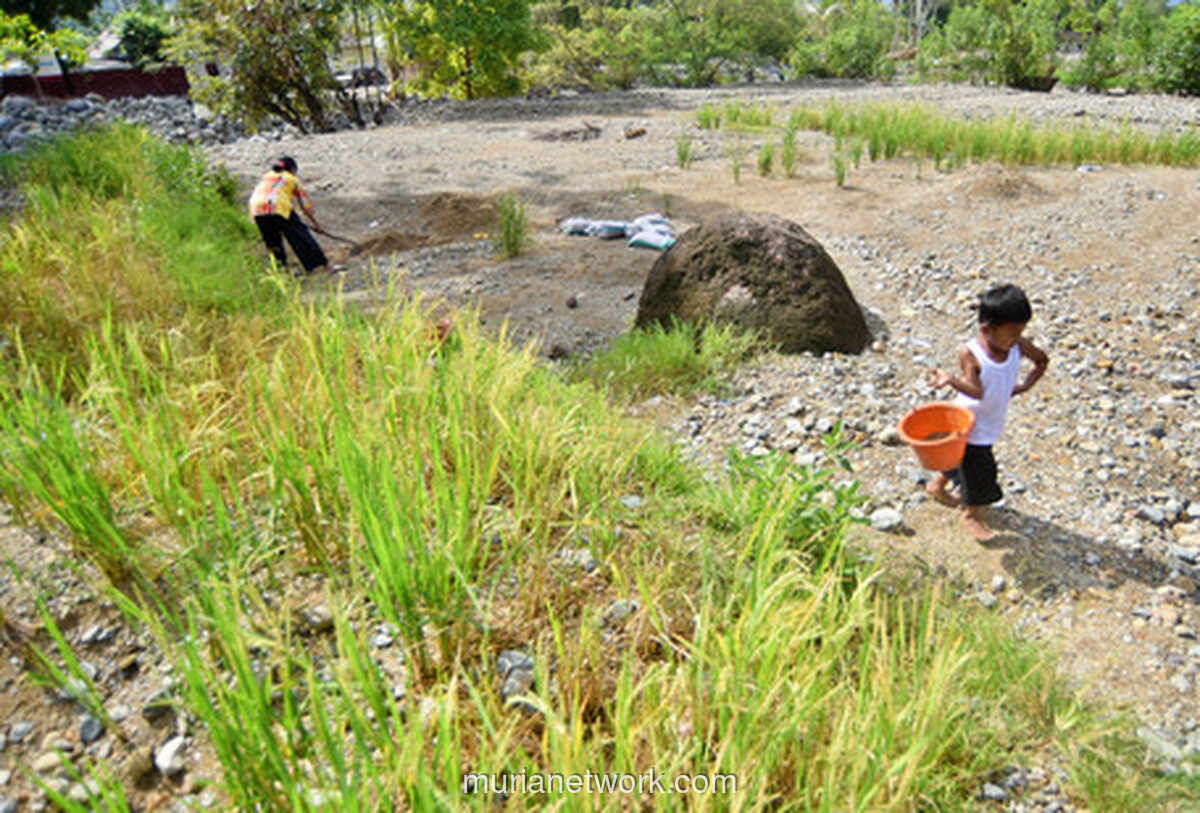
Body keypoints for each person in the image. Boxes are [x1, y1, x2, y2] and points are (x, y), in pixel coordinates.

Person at [926, 284, 1049, 540]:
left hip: (991, 420)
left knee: (958, 457)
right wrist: (950, 379)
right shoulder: (972, 353)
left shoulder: (1017, 345)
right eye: (1012, 333)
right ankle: (972, 515)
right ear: (986, 329)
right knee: (981, 472)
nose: (1017, 338)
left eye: (1021, 332)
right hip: (969, 421)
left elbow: (1042, 360)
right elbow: (976, 391)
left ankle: (937, 485)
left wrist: (1025, 385)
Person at [248, 156, 331, 277]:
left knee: (272, 241)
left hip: (257, 209)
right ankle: (320, 266)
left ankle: (280, 271)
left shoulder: (266, 177)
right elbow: (305, 206)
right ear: (292, 170)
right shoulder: (291, 179)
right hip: (277, 206)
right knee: (300, 236)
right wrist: (316, 225)